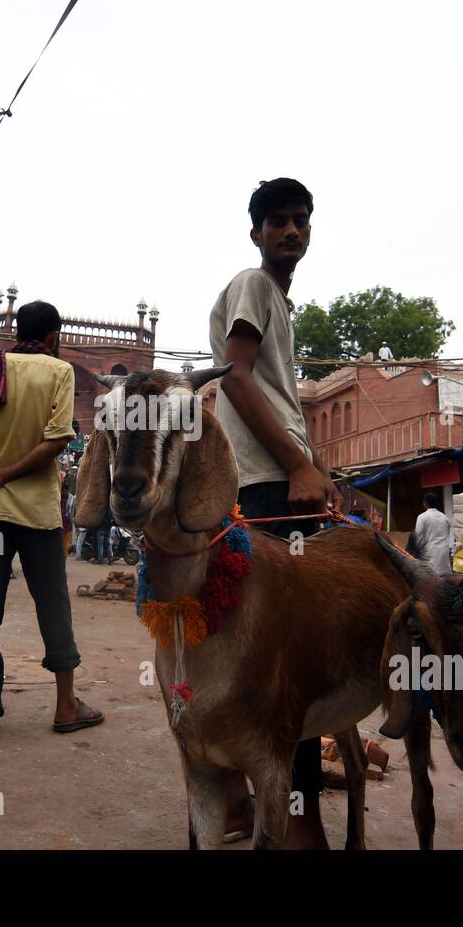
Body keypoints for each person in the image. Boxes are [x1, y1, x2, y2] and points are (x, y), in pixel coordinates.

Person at [209, 177, 339, 849]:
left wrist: (313, 467)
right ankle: (298, 820)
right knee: (294, 659)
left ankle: (235, 803)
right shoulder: (253, 286)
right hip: (264, 487)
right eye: (278, 222)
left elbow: (262, 390)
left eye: (301, 221)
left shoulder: (278, 302)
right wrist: (295, 466)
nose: (291, 231)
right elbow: (234, 377)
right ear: (256, 232)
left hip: (272, 483)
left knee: (249, 651)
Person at [0, 300, 102, 744]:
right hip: (38, 514)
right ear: (55, 336)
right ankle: (65, 706)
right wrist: (11, 472)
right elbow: (59, 437)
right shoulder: (58, 373)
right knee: (53, 606)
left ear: (15, 331)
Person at [412, 492, 453, 575]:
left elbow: (418, 538)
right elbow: (448, 535)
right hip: (444, 558)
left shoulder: (422, 517)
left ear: (425, 503)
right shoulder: (444, 517)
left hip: (430, 557)